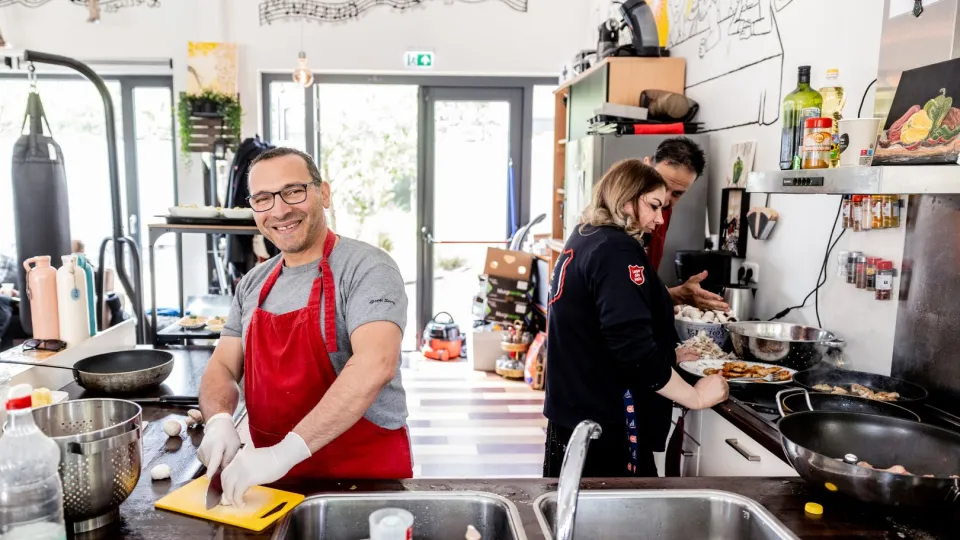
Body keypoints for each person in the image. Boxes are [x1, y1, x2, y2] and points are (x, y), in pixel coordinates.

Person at [197, 147, 412, 506]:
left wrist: (284, 453)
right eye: (263, 199)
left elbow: (375, 364)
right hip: (271, 484)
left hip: (362, 481)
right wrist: (218, 419)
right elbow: (221, 366)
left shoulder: (368, 268)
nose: (280, 210)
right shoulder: (252, 284)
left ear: (323, 193)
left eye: (293, 191)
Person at [543, 159, 729, 478]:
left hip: (572, 407)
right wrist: (696, 396)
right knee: (622, 514)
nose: (659, 219)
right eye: (654, 206)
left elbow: (600, 312)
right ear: (625, 199)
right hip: (606, 415)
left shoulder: (587, 235)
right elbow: (633, 350)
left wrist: (674, 306)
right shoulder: (618, 250)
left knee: (573, 507)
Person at [643, 138, 728, 311]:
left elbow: (643, 284)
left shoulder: (664, 211)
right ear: (646, 165)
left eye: (677, 193)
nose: (665, 199)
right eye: (661, 185)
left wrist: (675, 295)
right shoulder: (614, 216)